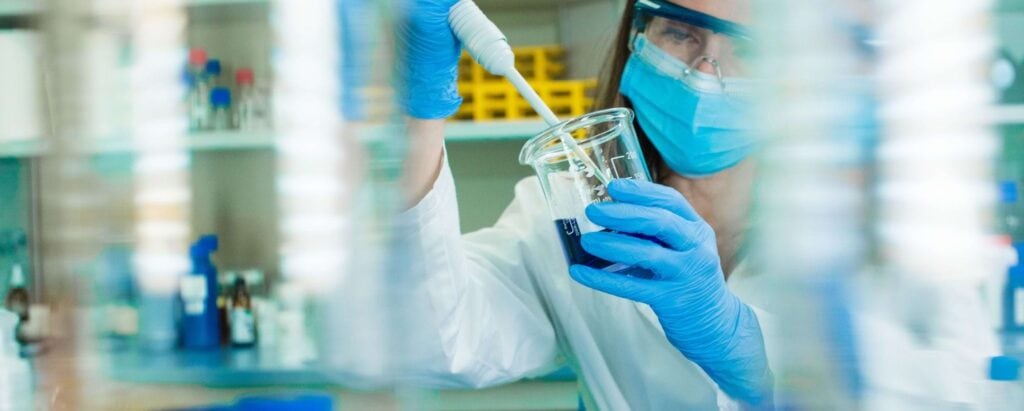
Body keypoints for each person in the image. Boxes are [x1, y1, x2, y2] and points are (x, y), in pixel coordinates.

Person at [391, 0, 998, 409]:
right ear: (637, 37)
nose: (705, 72)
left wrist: (749, 348)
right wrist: (422, 118)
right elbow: (433, 341)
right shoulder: (569, 217)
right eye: (680, 32)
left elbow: (964, 395)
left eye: (749, 50)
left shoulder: (898, 229)